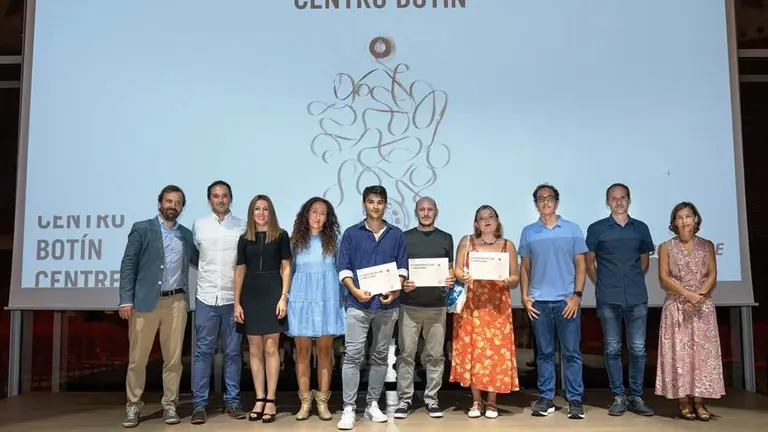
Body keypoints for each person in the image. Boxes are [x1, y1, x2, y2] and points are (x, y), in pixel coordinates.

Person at [118, 185, 198, 428]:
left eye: (177, 202)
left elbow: (202, 260)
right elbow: (128, 265)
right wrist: (125, 299)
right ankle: (133, 406)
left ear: (182, 207)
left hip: (176, 303)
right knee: (137, 360)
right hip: (144, 303)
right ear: (160, 203)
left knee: (173, 360)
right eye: (168, 201)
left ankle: (170, 404)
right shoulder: (142, 229)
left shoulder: (185, 234)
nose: (172, 206)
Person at [336, 185, 407, 430]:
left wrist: (395, 289)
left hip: (387, 306)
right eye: (371, 201)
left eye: (380, 202)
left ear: (385, 205)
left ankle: (372, 404)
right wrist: (355, 290)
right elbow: (343, 268)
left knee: (380, 357)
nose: (375, 206)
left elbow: (402, 269)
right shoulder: (351, 234)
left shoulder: (396, 234)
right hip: (357, 304)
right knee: (353, 356)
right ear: (364, 204)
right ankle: (348, 408)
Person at [585, 183, 655, 416]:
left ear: (629, 200)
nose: (618, 201)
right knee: (612, 348)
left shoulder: (641, 228)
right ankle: (618, 396)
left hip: (636, 297)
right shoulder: (597, 229)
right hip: (608, 297)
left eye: (622, 197)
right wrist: (602, 283)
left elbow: (644, 262)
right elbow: (589, 262)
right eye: (613, 198)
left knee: (638, 349)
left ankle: (636, 396)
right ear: (607, 201)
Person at [519, 184, 587, 420]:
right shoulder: (528, 232)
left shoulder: (572, 229)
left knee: (571, 353)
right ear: (536, 204)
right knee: (544, 354)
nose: (545, 202)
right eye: (540, 199)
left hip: (566, 302)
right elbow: (525, 268)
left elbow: (581, 265)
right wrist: (525, 297)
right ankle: (546, 397)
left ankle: (575, 400)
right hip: (539, 303)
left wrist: (577, 295)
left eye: (549, 198)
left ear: (557, 202)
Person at [655, 202, 725, 421]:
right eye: (679, 217)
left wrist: (698, 297)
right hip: (676, 307)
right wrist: (687, 294)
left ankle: (700, 401)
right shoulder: (666, 246)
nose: (684, 221)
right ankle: (683, 401)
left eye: (688, 216)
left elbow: (712, 275)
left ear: (696, 219)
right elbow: (664, 278)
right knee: (680, 355)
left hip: (702, 308)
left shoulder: (707, 246)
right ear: (674, 223)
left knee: (701, 357)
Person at [450, 204, 519, 419]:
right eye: (482, 217)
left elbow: (515, 277)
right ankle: (476, 401)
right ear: (476, 224)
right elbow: (457, 269)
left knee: (496, 354)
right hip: (473, 306)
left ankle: (492, 403)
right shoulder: (467, 242)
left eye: (490, 216)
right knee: (475, 352)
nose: (486, 220)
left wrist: (509, 279)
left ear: (497, 221)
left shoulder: (507, 245)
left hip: (497, 307)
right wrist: (463, 276)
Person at [189, 181, 247, 424]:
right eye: (215, 196)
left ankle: (232, 401)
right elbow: (195, 256)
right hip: (206, 299)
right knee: (202, 353)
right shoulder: (199, 226)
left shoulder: (242, 227)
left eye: (224, 196)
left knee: (233, 353)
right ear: (209, 200)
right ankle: (199, 405)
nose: (220, 200)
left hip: (233, 301)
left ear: (231, 199)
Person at [394, 197, 455, 420]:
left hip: (437, 307)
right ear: (416, 212)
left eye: (430, 209)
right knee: (406, 355)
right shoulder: (404, 237)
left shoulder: (446, 238)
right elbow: (397, 270)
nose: (426, 213)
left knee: (436, 356)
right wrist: (403, 283)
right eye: (422, 209)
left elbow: (450, 270)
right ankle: (404, 400)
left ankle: (431, 399)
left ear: (436, 212)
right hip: (409, 306)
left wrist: (450, 279)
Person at [234, 194, 292, 423]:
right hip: (250, 295)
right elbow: (239, 271)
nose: (261, 213)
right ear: (251, 213)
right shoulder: (244, 238)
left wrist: (284, 297)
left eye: (265, 209)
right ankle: (258, 397)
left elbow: (287, 267)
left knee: (271, 347)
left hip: (272, 294)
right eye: (257, 209)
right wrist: (237, 302)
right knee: (254, 349)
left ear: (271, 212)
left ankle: (271, 399)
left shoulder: (281, 236)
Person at [287, 197, 346, 421]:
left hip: (327, 300)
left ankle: (322, 402)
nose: (318, 216)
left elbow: (342, 273)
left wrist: (344, 302)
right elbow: (288, 273)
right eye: (314, 211)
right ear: (306, 214)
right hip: (301, 301)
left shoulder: (335, 242)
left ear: (328, 218)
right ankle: (304, 402)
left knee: (324, 353)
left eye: (323, 213)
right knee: (301, 353)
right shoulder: (295, 242)